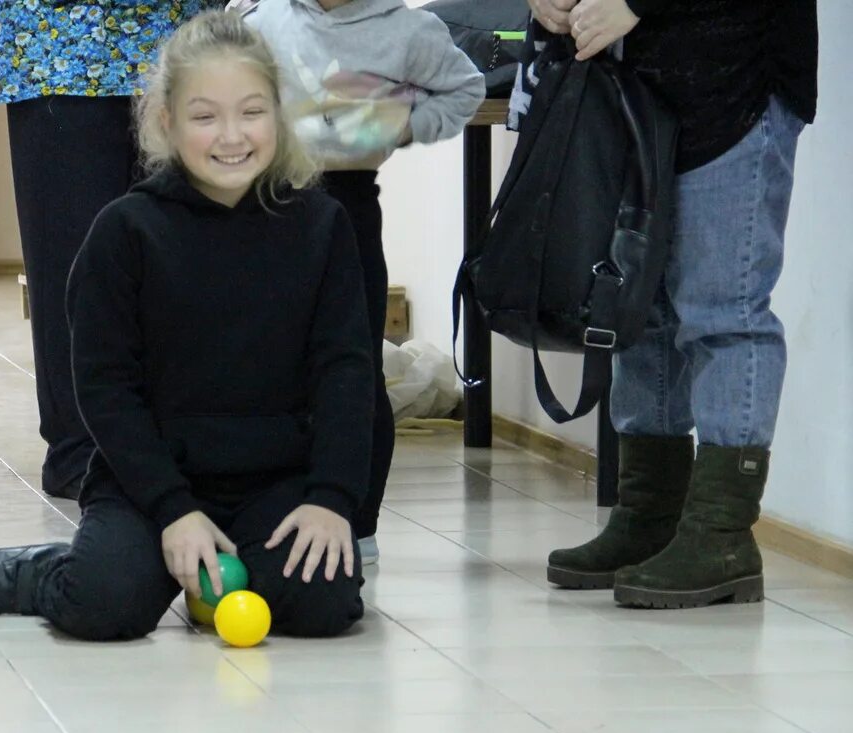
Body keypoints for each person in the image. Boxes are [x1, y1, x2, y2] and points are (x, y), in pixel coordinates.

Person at [0, 11, 374, 641]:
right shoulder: (125, 232)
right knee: (107, 603)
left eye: (251, 112)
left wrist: (331, 498)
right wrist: (173, 510)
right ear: (167, 122)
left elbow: (346, 370)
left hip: (272, 479)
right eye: (205, 117)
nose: (232, 136)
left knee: (323, 606)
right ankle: (40, 573)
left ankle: (234, 561)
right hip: (149, 487)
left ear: (279, 115)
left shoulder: (322, 226)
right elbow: (105, 387)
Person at [533, 0, 819, 608]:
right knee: (643, 311)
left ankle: (721, 535)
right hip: (636, 87)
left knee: (725, 312)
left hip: (736, 78)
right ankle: (649, 516)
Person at [241, 0, 485, 563]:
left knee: (353, 365)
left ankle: (358, 518)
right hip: (266, 208)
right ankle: (272, 502)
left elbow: (464, 89)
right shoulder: (259, 22)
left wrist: (398, 126)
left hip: (349, 205)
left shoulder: (409, 30)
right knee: (271, 365)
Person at [0, 0, 203, 499]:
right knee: (73, 269)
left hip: (185, 51)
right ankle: (82, 451)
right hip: (60, 48)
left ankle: (181, 444)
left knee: (186, 267)